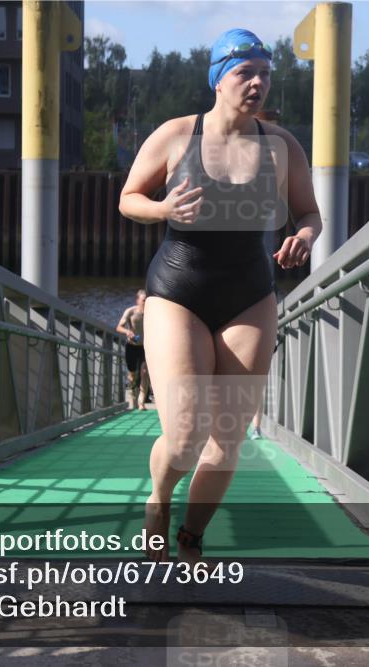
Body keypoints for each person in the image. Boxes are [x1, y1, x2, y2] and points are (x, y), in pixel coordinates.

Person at [118, 28, 320, 563]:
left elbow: (309, 213)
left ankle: (191, 538)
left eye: (265, 74)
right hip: (178, 290)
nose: (257, 83)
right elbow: (128, 198)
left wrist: (304, 236)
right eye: (245, 73)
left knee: (227, 436)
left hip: (249, 294)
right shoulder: (176, 135)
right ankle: (159, 498)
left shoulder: (282, 146)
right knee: (185, 435)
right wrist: (163, 209)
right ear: (218, 79)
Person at [116, 289, 150, 410]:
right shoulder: (130, 311)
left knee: (144, 372)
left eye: (147, 300)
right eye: (144, 300)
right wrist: (127, 332)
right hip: (131, 347)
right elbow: (119, 327)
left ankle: (141, 402)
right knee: (132, 375)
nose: (146, 302)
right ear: (138, 300)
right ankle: (133, 397)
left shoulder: (152, 313)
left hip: (145, 347)